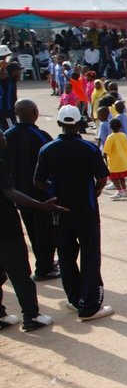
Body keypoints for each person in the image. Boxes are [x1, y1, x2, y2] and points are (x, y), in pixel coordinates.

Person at [34, 105, 113, 321]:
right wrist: (95, 191)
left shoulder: (47, 149)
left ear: (59, 124)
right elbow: (102, 178)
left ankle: (74, 298)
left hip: (59, 211)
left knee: (66, 256)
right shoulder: (88, 149)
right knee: (90, 256)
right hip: (86, 210)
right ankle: (88, 306)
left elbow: (38, 181)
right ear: (79, 124)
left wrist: (54, 191)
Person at [0, 130, 65, 332]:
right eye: (1, 137)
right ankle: (31, 316)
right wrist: (40, 205)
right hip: (6, 229)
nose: (4, 138)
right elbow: (9, 192)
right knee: (20, 274)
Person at [4, 99, 57, 280]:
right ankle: (44, 267)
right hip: (41, 194)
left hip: (18, 194)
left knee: (33, 231)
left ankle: (44, 262)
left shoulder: (7, 135)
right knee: (46, 233)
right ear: (35, 112)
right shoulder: (41, 136)